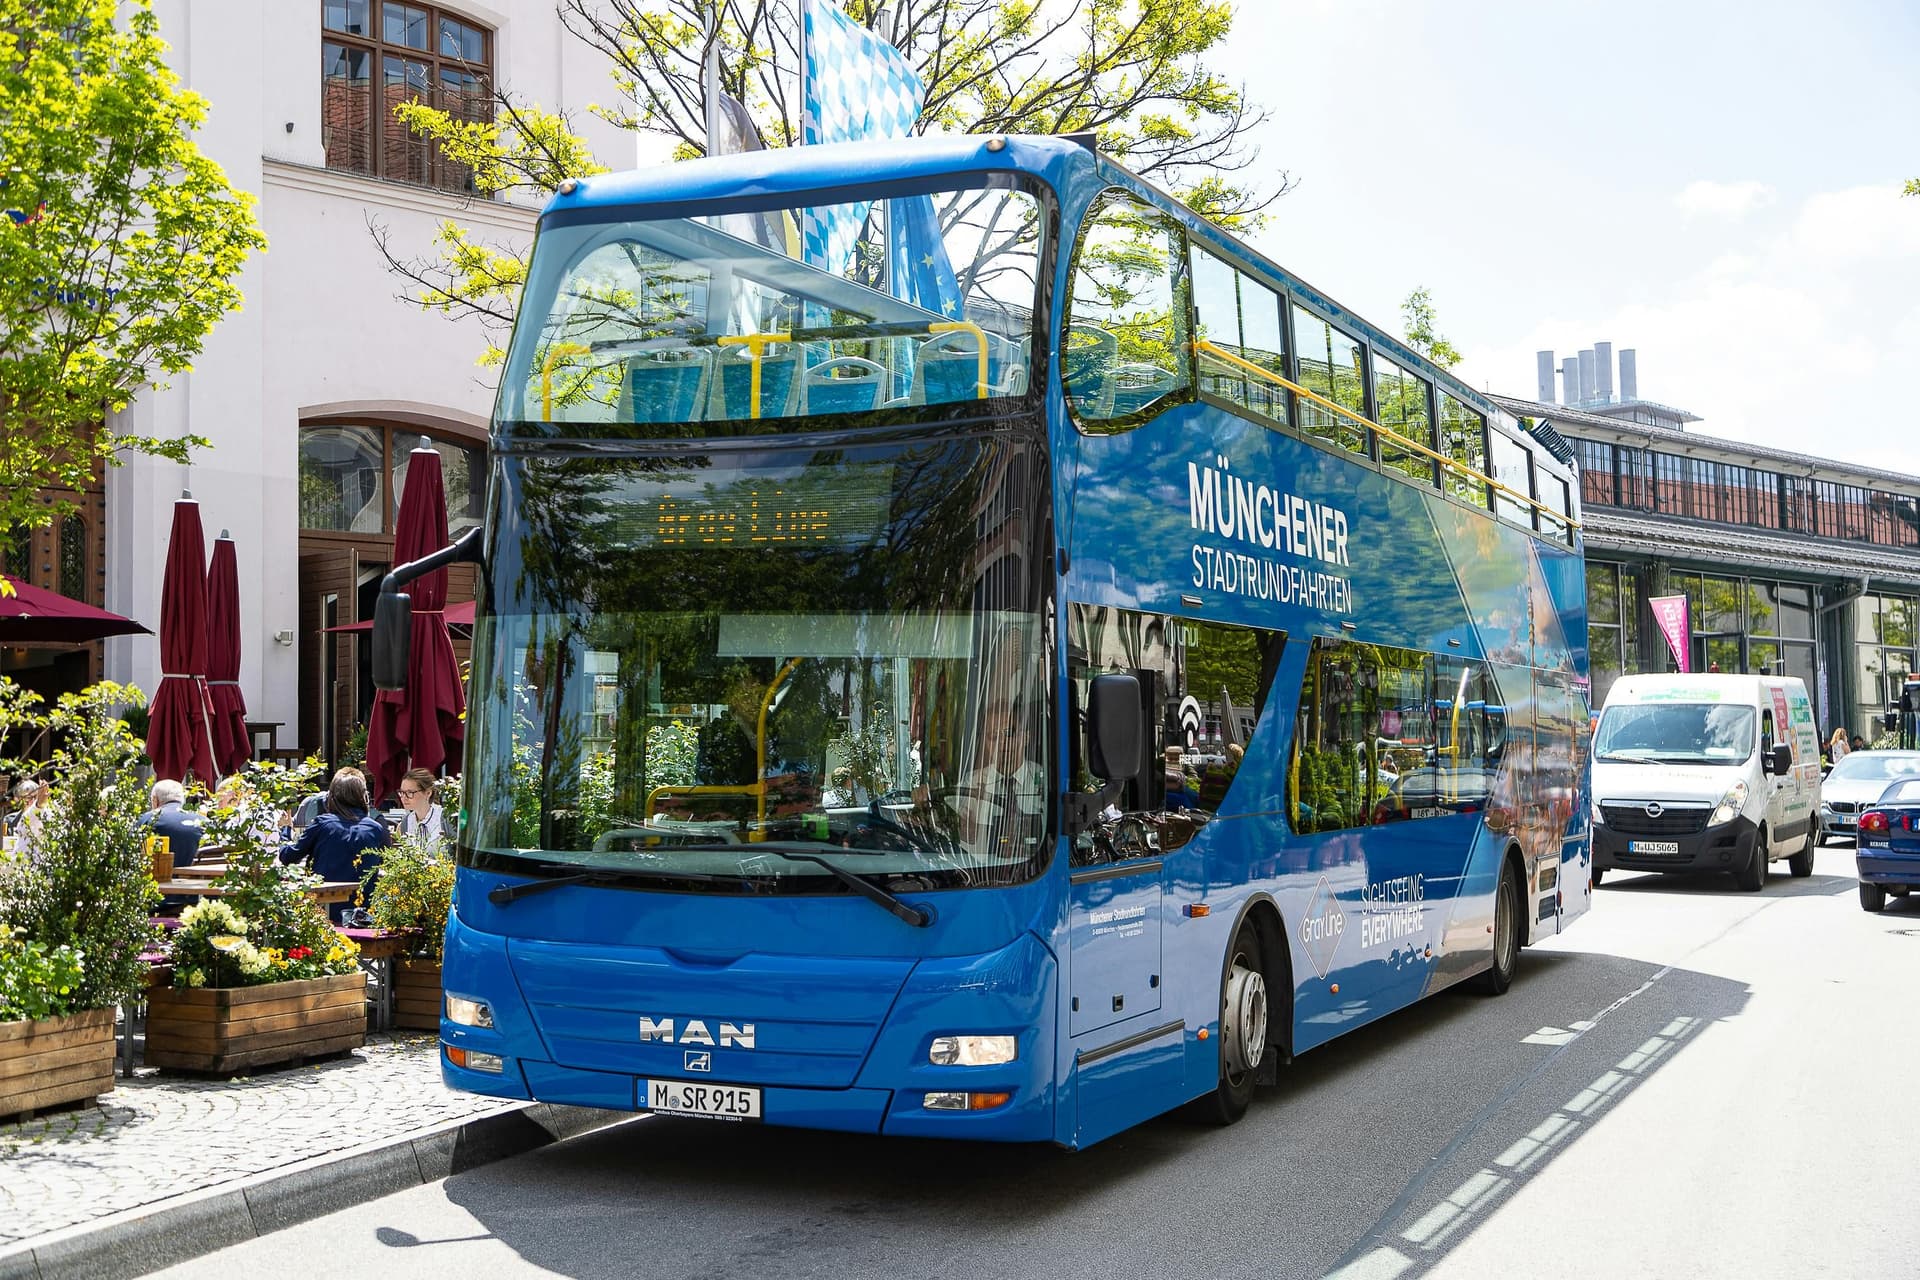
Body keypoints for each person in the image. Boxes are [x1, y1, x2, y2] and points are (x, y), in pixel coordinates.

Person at [279, 769, 390, 922]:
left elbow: (287, 856)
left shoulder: (322, 824)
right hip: (363, 915)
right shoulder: (376, 829)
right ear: (363, 797)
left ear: (332, 796)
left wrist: (286, 829)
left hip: (323, 913)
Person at [137, 779, 208, 869]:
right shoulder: (204, 822)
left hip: (159, 880)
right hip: (200, 880)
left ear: (155, 800)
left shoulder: (146, 820)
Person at [396, 768, 445, 843]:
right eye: (402, 792)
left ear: (428, 793)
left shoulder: (444, 818)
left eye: (410, 792)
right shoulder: (405, 823)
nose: (404, 797)